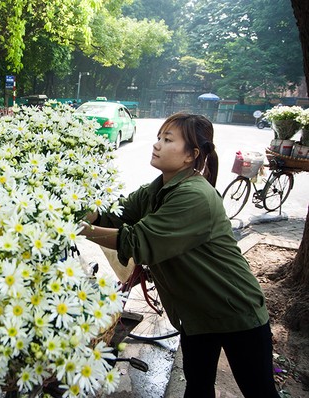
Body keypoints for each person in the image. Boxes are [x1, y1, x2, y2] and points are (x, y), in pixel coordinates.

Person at [80, 113, 279, 398]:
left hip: (235, 311)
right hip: (196, 313)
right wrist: (72, 205)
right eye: (159, 137)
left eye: (168, 139)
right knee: (197, 387)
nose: (157, 144)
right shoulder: (156, 189)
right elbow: (116, 216)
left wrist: (79, 230)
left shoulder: (195, 195)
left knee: (259, 392)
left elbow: (138, 241)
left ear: (191, 156)